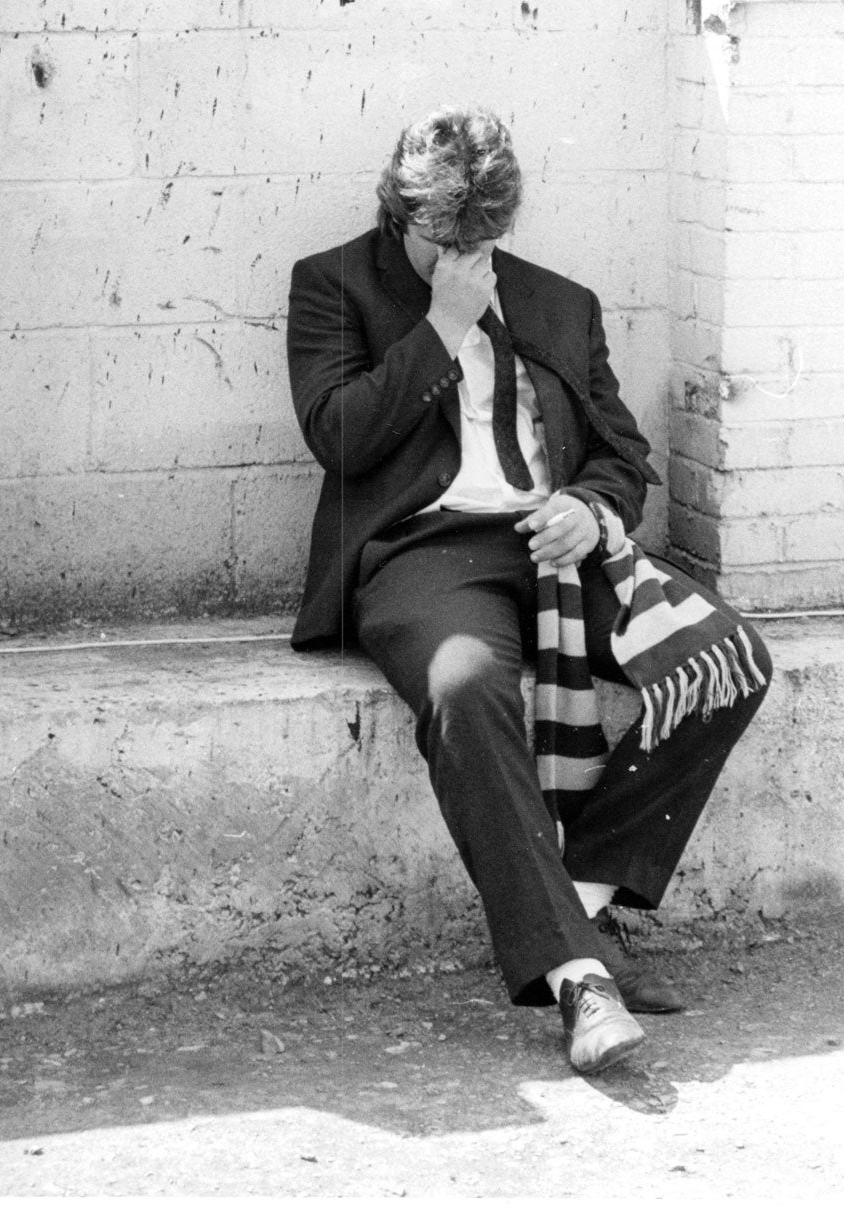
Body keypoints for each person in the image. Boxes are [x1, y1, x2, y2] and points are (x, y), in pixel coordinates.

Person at [287, 106, 771, 1073]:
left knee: (729, 658)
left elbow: (621, 453)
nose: (461, 255)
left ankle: (581, 908)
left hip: (553, 546)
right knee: (465, 688)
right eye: (440, 239)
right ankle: (578, 980)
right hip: (420, 555)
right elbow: (336, 438)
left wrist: (592, 510)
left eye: (480, 239)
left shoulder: (559, 302)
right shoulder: (332, 285)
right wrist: (440, 328)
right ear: (399, 212)